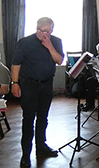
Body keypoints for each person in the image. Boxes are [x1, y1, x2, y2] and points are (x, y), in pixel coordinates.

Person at [11, 17, 64, 167]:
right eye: (39, 30)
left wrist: (49, 46)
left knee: (43, 118)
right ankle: (25, 155)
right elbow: (16, 63)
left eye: (45, 31)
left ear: (51, 30)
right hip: (29, 85)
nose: (41, 33)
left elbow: (59, 61)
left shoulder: (56, 41)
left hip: (46, 85)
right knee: (28, 120)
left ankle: (41, 146)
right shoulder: (25, 42)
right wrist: (15, 83)